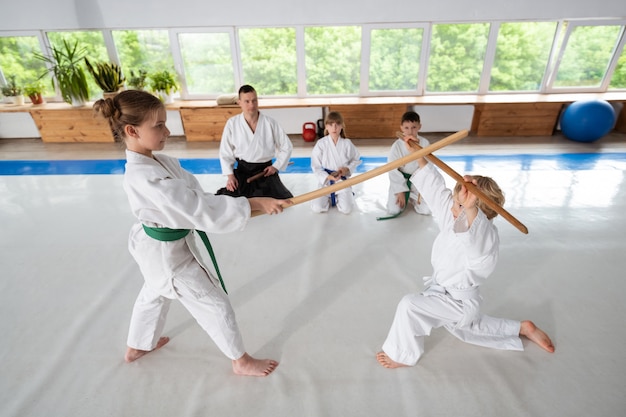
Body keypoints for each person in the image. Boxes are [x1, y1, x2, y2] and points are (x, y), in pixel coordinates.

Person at [93, 90, 291, 377]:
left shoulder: (158, 162)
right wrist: (254, 203)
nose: (167, 130)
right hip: (168, 258)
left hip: (155, 248)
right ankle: (240, 360)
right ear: (131, 130)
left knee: (154, 292)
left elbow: (195, 196)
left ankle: (137, 345)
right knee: (215, 305)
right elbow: (197, 209)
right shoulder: (145, 176)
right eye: (158, 125)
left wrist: (244, 205)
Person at [376, 134, 555, 369]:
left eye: (461, 206)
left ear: (478, 214)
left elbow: (473, 238)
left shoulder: (484, 238)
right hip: (444, 295)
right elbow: (435, 190)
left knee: (409, 305)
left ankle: (402, 355)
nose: (452, 208)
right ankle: (523, 328)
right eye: (455, 202)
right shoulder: (454, 218)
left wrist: (468, 209)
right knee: (473, 327)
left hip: (458, 302)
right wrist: (417, 155)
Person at [216, 84, 293, 199]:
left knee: (280, 200)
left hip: (266, 171)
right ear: (239, 102)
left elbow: (287, 146)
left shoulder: (270, 123)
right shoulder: (232, 123)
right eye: (247, 101)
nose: (251, 105)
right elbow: (225, 152)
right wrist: (230, 176)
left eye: (254, 100)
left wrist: (276, 166)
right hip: (243, 171)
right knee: (230, 199)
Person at [378, 111, 430, 220]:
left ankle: (412, 197)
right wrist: (400, 190)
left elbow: (428, 167)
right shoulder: (397, 146)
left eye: (414, 127)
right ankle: (404, 193)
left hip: (418, 181)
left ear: (419, 126)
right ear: (401, 128)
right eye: (406, 128)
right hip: (400, 180)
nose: (410, 131)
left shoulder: (425, 143)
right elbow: (392, 168)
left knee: (425, 210)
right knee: (393, 210)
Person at [310, 111, 361, 214]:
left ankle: (344, 195)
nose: (334, 128)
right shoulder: (321, 144)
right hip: (326, 182)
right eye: (331, 124)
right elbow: (316, 166)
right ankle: (329, 198)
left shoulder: (347, 143)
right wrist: (328, 177)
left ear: (342, 126)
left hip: (342, 181)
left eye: (337, 124)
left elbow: (356, 159)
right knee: (317, 208)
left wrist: (346, 169)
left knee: (347, 209)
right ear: (326, 127)